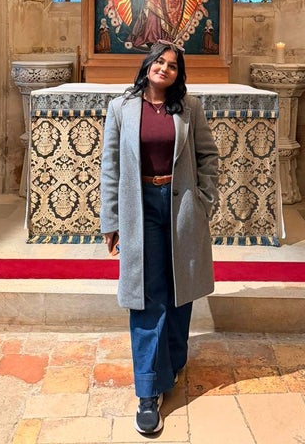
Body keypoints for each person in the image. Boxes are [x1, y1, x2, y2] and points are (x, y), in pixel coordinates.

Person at [100, 41, 219, 435]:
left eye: (172, 65)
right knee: (146, 295)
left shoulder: (189, 108)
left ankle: (173, 360)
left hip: (181, 205)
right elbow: (110, 167)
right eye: (159, 62)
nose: (164, 69)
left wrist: (204, 200)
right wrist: (111, 220)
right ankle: (149, 392)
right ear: (147, 64)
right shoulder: (121, 108)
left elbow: (208, 156)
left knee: (180, 289)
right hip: (140, 208)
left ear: (178, 74)